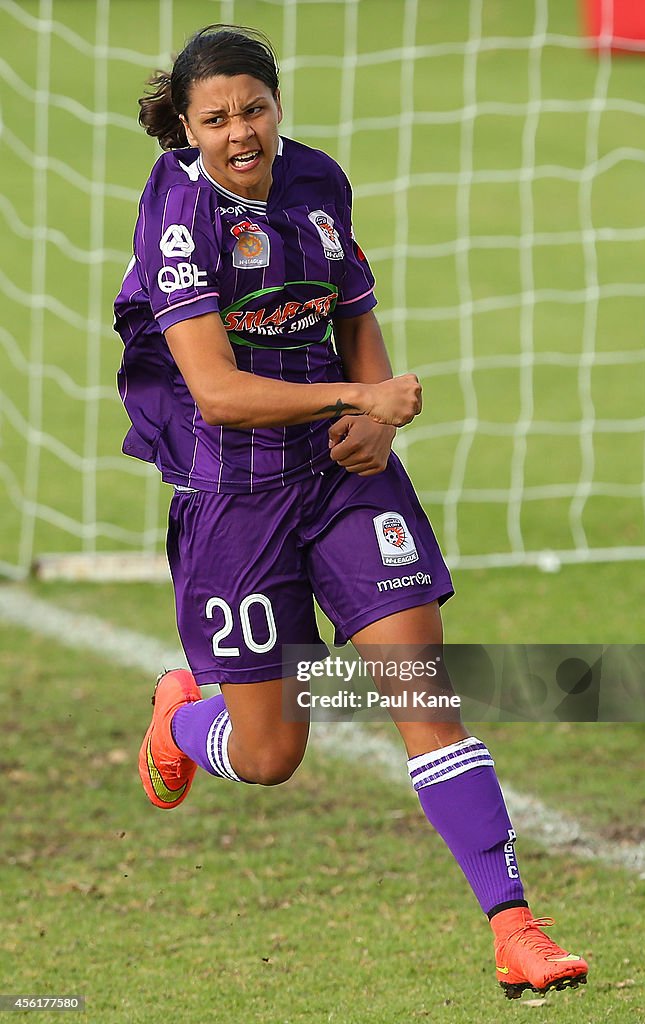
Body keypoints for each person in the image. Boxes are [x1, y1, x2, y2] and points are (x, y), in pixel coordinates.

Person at [113, 24, 589, 1001]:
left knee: (420, 687)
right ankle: (181, 721)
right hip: (233, 493)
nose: (239, 131)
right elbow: (215, 392)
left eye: (253, 108)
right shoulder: (175, 215)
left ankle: (516, 927)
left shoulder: (317, 179)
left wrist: (375, 428)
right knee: (272, 751)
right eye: (217, 117)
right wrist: (354, 401)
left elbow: (354, 315)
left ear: (277, 104)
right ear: (190, 125)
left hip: (340, 476)